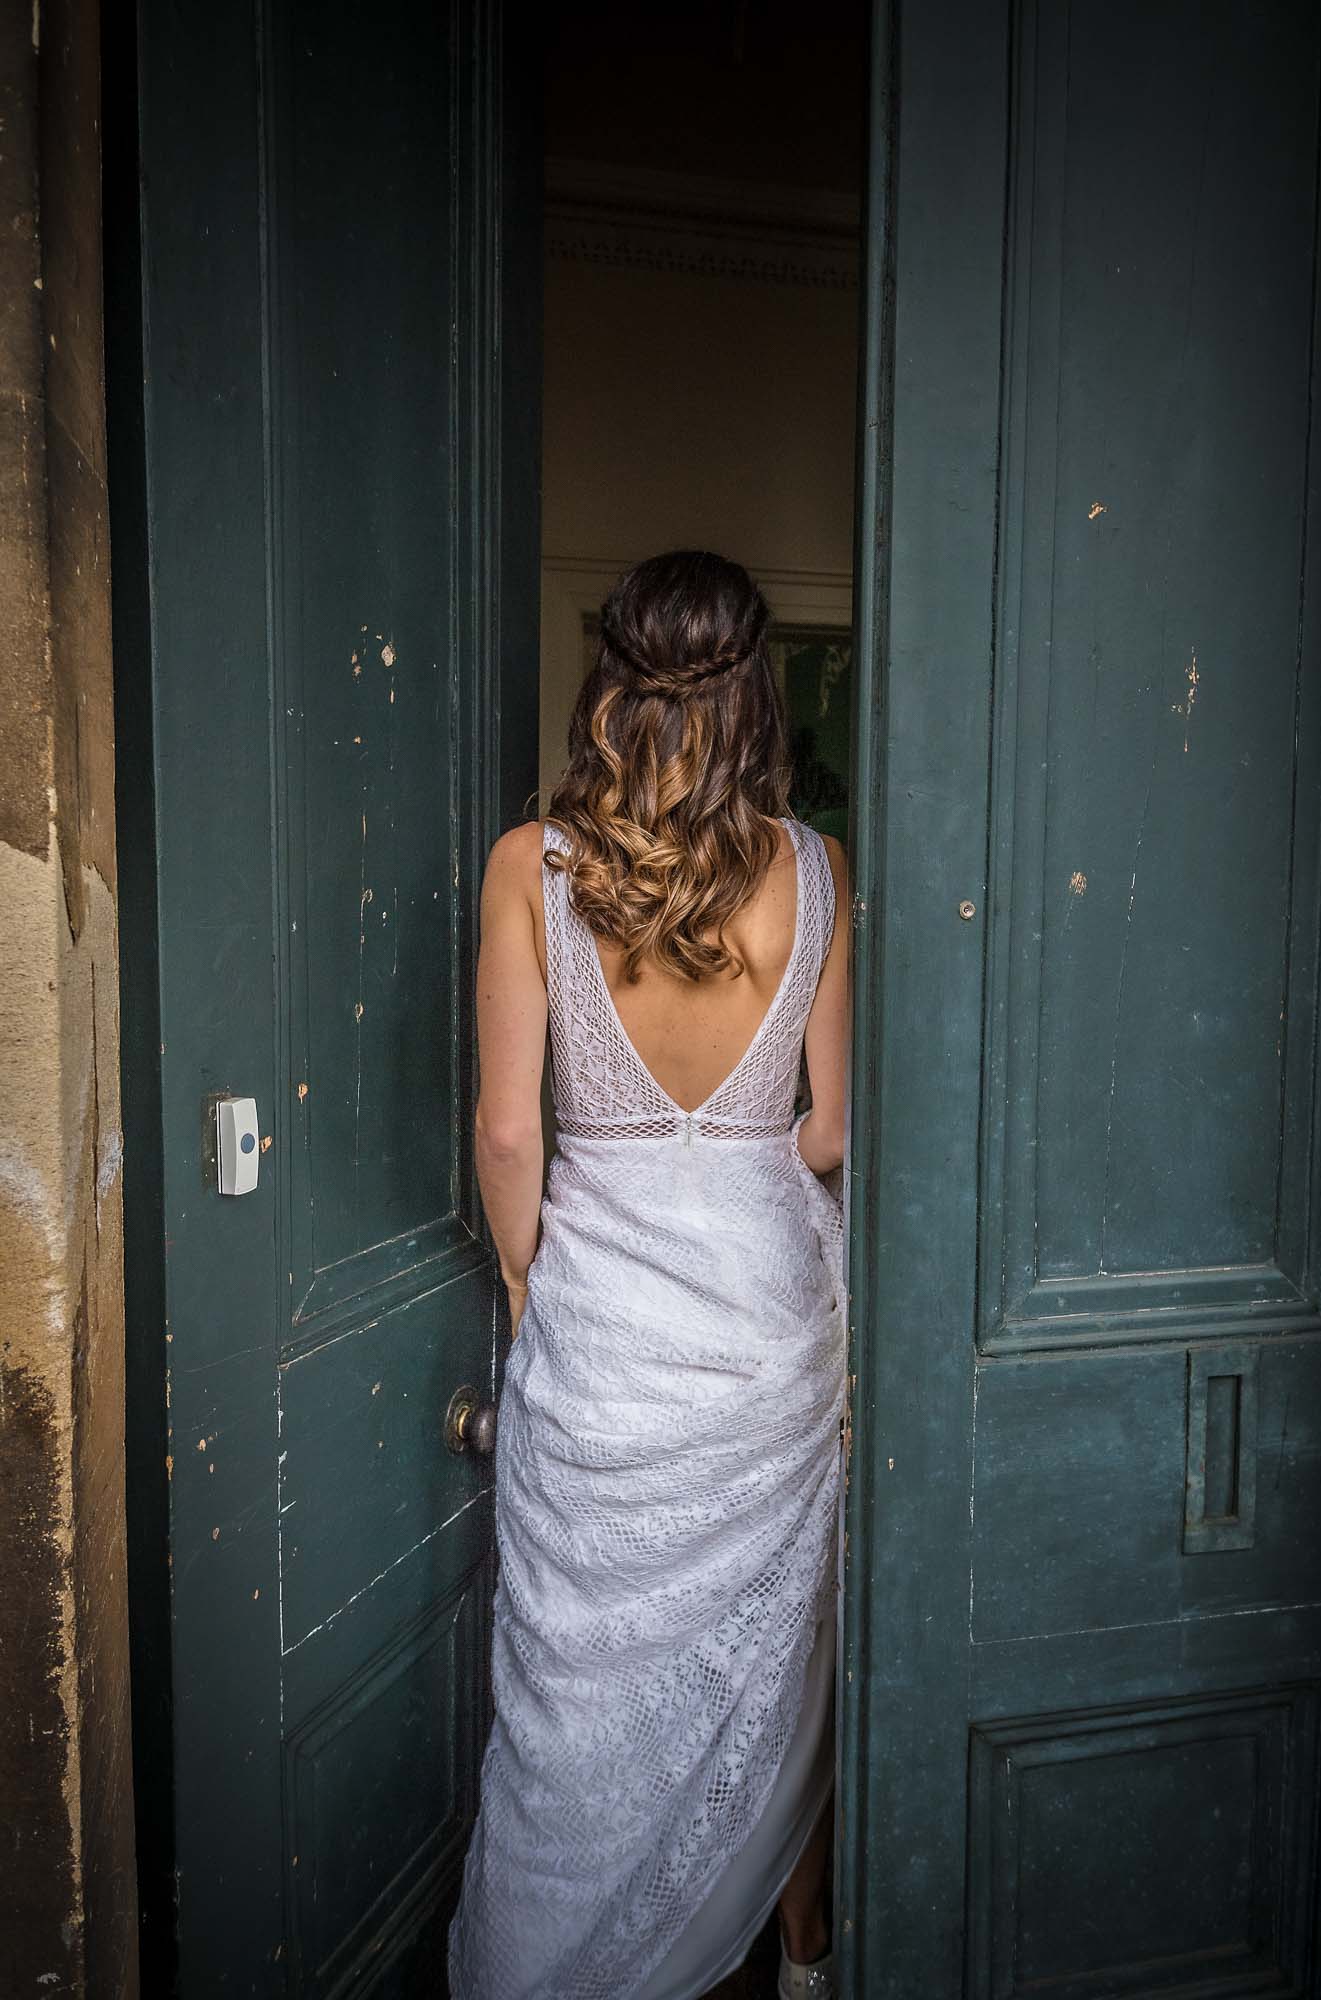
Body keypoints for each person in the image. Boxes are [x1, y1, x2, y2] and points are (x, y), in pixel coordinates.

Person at [447, 549, 849, 2000]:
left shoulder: (530, 865)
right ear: (756, 696)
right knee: (772, 1671)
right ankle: (799, 1955)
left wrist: (524, 1286)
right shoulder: (812, 869)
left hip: (602, 1341)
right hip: (766, 1344)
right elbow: (833, 1129)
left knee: (572, 1707)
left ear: (606, 680)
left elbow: (507, 1130)